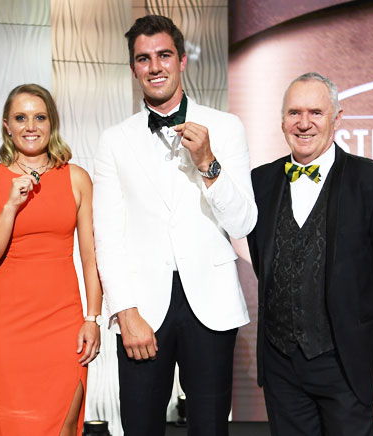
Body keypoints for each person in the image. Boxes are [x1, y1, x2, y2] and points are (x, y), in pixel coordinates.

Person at [93, 15, 257, 436]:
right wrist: (124, 311)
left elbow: (243, 221)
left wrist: (208, 162)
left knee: (209, 428)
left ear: (182, 60)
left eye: (164, 55)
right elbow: (107, 234)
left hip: (211, 303)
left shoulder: (225, 126)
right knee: (141, 427)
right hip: (142, 308)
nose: (155, 67)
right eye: (143, 59)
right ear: (134, 69)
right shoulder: (115, 139)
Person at [247, 72, 373, 435]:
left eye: (316, 113)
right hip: (280, 364)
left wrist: (361, 326)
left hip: (343, 362)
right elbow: (264, 260)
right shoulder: (260, 181)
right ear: (282, 121)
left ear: (337, 119)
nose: (304, 123)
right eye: (294, 113)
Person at [0, 83, 102, 436]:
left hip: (64, 325)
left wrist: (93, 318)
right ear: (6, 126)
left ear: (51, 123)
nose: (31, 126)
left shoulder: (76, 178)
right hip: (7, 331)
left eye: (40, 117)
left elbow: (90, 257)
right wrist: (10, 206)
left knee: (64, 426)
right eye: (21, 118)